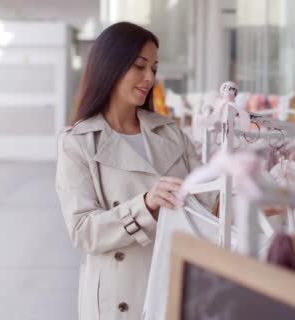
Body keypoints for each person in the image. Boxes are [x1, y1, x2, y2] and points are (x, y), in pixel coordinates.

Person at [55, 22, 215, 320]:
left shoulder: (169, 132)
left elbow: (208, 199)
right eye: (139, 66)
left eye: (153, 68)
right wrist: (144, 205)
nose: (149, 78)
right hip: (119, 298)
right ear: (110, 66)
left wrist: (255, 199)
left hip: (174, 285)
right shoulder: (78, 142)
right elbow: (83, 232)